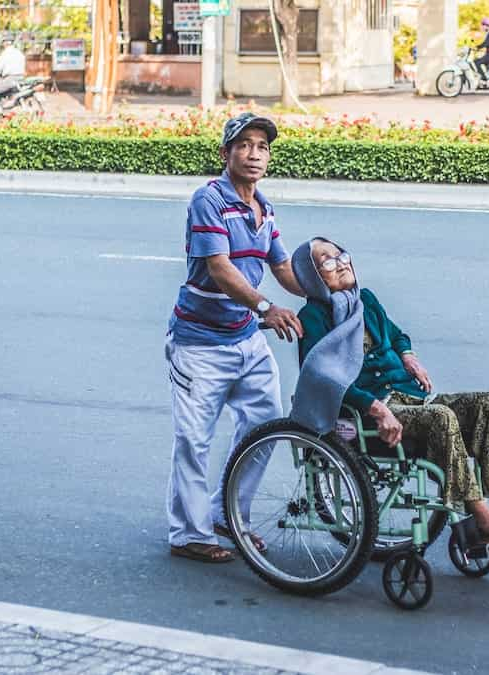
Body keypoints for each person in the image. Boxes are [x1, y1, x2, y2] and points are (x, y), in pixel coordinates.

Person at [292, 238, 489, 550]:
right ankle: (482, 518)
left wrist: (408, 356)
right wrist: (375, 408)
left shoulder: (365, 300)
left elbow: (397, 335)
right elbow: (322, 377)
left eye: (340, 254)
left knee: (485, 404)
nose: (341, 262)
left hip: (408, 396)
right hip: (368, 414)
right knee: (441, 418)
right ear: (311, 276)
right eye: (327, 261)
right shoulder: (314, 318)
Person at [165, 114, 306, 564]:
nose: (254, 154)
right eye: (243, 145)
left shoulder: (264, 210)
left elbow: (285, 270)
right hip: (199, 344)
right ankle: (189, 533)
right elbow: (220, 268)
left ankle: (228, 513)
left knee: (263, 428)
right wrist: (267, 308)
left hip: (245, 340)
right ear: (225, 154)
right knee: (194, 440)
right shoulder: (208, 200)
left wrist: (333, 289)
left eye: (262, 146)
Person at [0, 39, 26, 114]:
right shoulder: (19, 53)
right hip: (21, 78)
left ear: (5, 43)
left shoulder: (6, 53)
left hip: (10, 79)